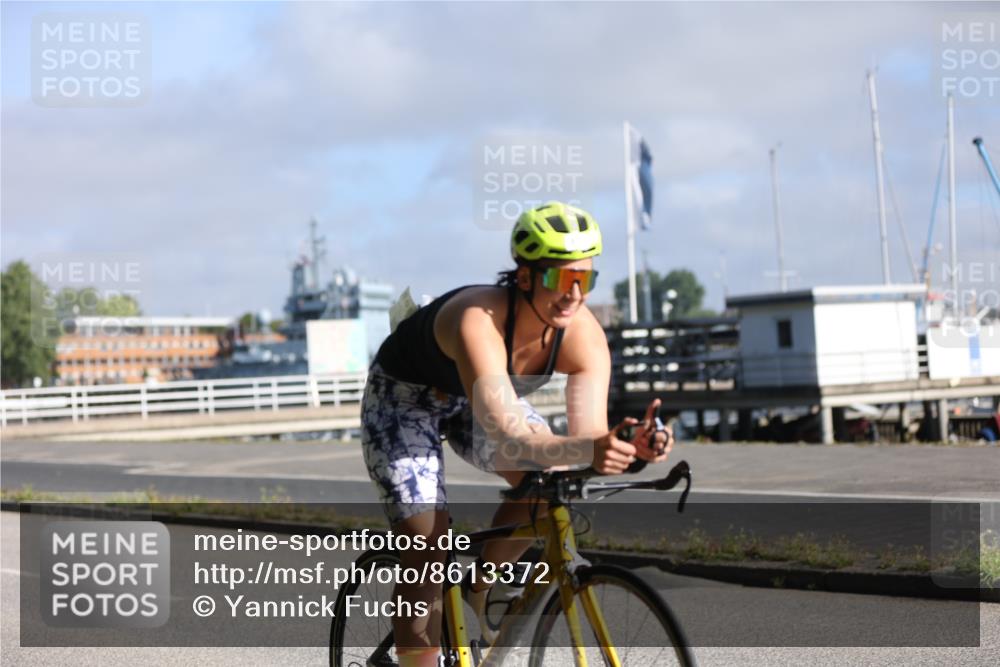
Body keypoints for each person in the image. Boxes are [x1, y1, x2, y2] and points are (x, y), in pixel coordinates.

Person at [361, 201, 674, 667]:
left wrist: (630, 446)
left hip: (477, 400)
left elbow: (587, 438)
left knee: (553, 477)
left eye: (584, 280)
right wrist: (592, 448)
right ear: (525, 277)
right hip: (405, 402)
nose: (573, 294)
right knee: (427, 551)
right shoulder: (478, 319)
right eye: (559, 278)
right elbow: (509, 435)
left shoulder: (583, 335)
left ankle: (479, 586)